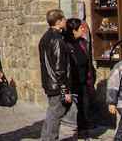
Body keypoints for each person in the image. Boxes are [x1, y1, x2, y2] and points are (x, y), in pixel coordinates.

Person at [39, 9, 71, 141]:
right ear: (59, 22)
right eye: (63, 19)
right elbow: (59, 67)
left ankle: (46, 138)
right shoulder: (56, 40)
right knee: (55, 114)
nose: (65, 22)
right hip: (56, 83)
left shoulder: (45, 37)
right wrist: (65, 89)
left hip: (49, 82)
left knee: (52, 112)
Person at [64, 18, 95, 140]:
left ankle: (83, 132)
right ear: (74, 30)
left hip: (83, 81)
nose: (83, 29)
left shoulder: (83, 43)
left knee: (84, 107)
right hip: (71, 81)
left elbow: (88, 61)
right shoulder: (66, 44)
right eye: (80, 28)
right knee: (62, 109)